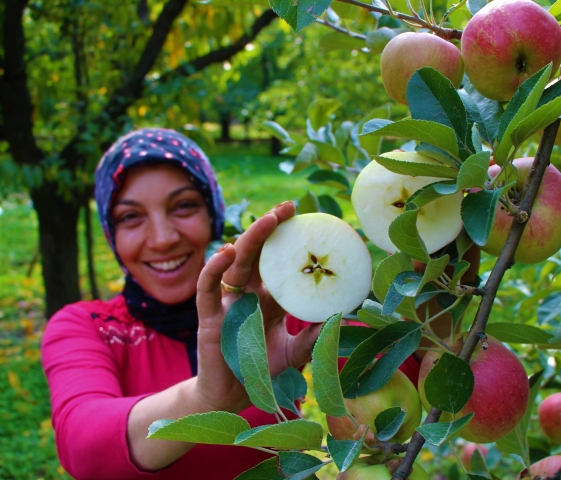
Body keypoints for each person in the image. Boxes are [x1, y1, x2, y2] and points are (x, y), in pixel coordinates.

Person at [41, 128, 423, 480]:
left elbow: (394, 364)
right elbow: (84, 447)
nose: (161, 239)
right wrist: (206, 399)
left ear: (212, 212)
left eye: (183, 206)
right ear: (111, 232)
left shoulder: (273, 314)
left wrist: (437, 249)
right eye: (130, 217)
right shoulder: (87, 326)